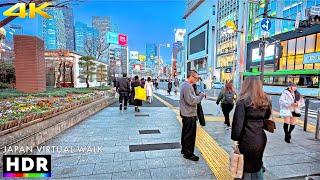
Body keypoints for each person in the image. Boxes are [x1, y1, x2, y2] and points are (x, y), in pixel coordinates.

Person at [231, 76, 272, 179]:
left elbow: (237, 124)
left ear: (246, 86)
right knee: (257, 163)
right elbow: (266, 117)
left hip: (246, 139)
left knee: (245, 166)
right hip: (261, 138)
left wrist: (235, 139)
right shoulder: (266, 100)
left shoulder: (242, 101)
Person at [180, 70, 206, 161]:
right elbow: (192, 101)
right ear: (191, 76)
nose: (196, 80)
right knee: (190, 136)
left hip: (186, 114)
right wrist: (201, 96)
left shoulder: (185, 85)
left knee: (185, 134)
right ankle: (188, 154)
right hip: (189, 114)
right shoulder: (187, 86)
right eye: (196, 78)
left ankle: (184, 150)